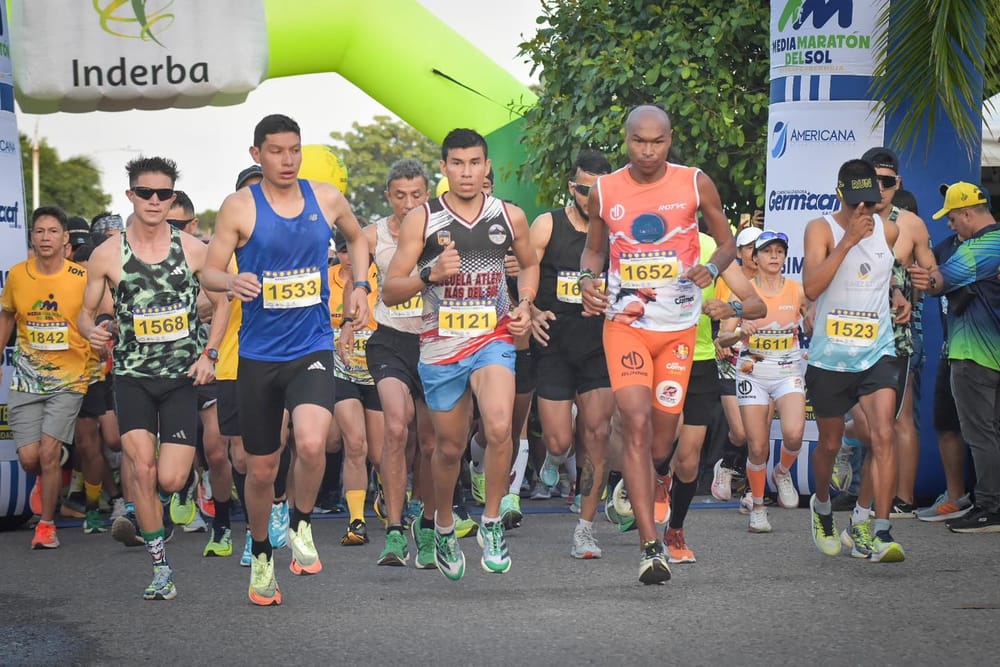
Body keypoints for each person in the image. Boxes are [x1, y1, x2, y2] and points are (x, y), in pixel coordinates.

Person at [202, 114, 370, 606]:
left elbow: (357, 239)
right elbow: (209, 272)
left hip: (312, 346)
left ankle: (300, 522)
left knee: (314, 444)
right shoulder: (239, 207)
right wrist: (231, 282)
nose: (287, 159)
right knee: (260, 469)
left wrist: (359, 286)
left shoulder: (326, 198)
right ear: (257, 154)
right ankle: (260, 554)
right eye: (276, 151)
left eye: (294, 149)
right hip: (257, 356)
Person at [578, 105, 737, 585]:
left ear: (670, 139)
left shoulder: (694, 182)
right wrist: (588, 278)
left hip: (680, 330)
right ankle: (650, 548)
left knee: (662, 442)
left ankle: (645, 479)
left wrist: (712, 267)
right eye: (638, 142)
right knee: (636, 420)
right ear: (625, 141)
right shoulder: (605, 190)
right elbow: (594, 247)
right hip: (625, 323)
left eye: (658, 142)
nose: (648, 151)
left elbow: (727, 242)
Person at [382, 128, 538, 581]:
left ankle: (491, 523)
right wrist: (430, 274)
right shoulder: (422, 220)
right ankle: (444, 525)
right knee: (448, 447)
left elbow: (528, 264)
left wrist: (524, 304)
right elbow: (391, 290)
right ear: (444, 168)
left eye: (474, 163)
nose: (466, 172)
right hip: (441, 345)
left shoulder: (509, 216)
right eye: (457, 163)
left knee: (498, 426)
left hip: (494, 336)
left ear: (486, 167)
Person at [80, 157, 228, 599]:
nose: (155, 201)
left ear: (173, 199)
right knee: (141, 469)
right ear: (131, 196)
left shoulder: (193, 249)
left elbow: (221, 304)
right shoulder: (107, 255)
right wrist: (92, 332)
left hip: (182, 378)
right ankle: (161, 569)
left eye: (164, 194)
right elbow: (86, 315)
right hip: (131, 378)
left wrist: (210, 354)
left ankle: (178, 496)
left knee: (168, 479)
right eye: (146, 193)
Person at [802, 158, 907, 563]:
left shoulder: (891, 229)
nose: (865, 211)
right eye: (856, 203)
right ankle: (824, 508)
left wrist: (897, 294)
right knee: (829, 442)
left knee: (884, 433)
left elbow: (883, 271)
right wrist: (847, 241)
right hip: (831, 356)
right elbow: (812, 285)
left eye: (871, 202)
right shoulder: (821, 228)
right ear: (840, 194)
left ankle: (878, 529)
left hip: (876, 350)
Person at [529, 149, 614, 559]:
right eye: (583, 189)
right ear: (571, 187)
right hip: (554, 346)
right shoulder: (548, 224)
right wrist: (529, 309)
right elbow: (523, 270)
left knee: (597, 434)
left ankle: (585, 528)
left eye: (598, 189)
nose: (590, 197)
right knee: (561, 441)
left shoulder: (616, 231)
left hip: (600, 347)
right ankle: (555, 457)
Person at [362, 158, 440, 569]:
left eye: (416, 195)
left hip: (435, 341)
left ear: (427, 195)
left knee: (430, 443)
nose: (408, 203)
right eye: (399, 195)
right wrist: (357, 293)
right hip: (389, 340)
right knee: (396, 425)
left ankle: (426, 526)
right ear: (388, 196)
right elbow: (350, 261)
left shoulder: (445, 230)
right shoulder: (373, 234)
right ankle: (394, 531)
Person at [909, 182, 1000, 532]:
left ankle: (990, 507)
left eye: (951, 219)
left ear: (967, 214)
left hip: (973, 354)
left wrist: (923, 276)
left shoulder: (977, 248)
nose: (950, 226)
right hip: (989, 353)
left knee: (980, 434)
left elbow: (938, 284)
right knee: (990, 433)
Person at [0, 206, 92, 549]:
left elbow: (100, 313)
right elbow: (7, 316)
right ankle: (54, 468)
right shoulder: (18, 275)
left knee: (49, 454)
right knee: (30, 458)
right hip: (26, 377)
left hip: (69, 378)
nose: (45, 237)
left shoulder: (81, 277)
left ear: (65, 238)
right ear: (32, 237)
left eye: (53, 231)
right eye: (39, 231)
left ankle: (46, 525)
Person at [860, 147, 936, 517]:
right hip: (852, 337)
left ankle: (900, 501)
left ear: (897, 184)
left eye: (887, 182)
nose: (880, 189)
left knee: (898, 419)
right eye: (872, 182)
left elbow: (934, 275)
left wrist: (929, 280)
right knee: (859, 422)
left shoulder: (911, 225)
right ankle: (867, 496)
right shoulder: (843, 221)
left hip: (897, 336)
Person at [719, 231, 809, 532]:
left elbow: (812, 322)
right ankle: (758, 506)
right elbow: (723, 336)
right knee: (757, 446)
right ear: (754, 258)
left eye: (779, 251)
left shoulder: (796, 291)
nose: (774, 256)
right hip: (752, 374)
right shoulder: (743, 294)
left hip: (787, 372)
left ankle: (782, 472)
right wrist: (738, 334)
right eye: (767, 251)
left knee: (794, 433)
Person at [329, 231, 383, 550]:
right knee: (355, 445)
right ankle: (356, 521)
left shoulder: (382, 273)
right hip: (341, 369)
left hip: (377, 368)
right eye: (345, 251)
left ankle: (387, 500)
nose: (350, 257)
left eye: (356, 250)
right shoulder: (327, 277)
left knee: (378, 452)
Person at [711, 226, 762, 501]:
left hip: (764, 363)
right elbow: (723, 330)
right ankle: (728, 465)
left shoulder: (778, 284)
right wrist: (726, 339)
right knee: (740, 433)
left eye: (761, 247)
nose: (757, 253)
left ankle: (754, 492)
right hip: (732, 362)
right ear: (740, 253)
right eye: (750, 247)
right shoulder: (732, 282)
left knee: (758, 434)